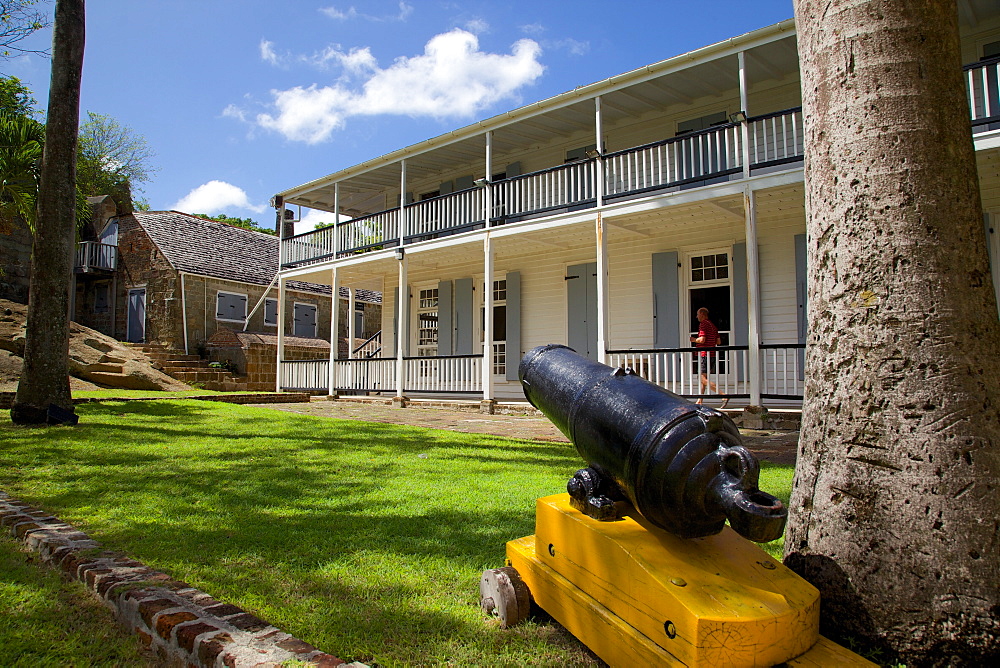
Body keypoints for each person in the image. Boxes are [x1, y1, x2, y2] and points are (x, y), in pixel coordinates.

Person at [690, 307, 728, 407]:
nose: (696, 316)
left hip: (704, 354)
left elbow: (702, 339)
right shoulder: (713, 326)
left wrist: (694, 340)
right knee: (704, 378)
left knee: (702, 379)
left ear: (702, 314)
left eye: (697, 314)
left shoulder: (703, 324)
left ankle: (723, 395)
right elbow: (718, 342)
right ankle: (700, 400)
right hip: (712, 354)